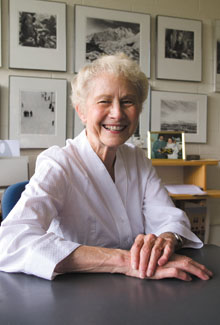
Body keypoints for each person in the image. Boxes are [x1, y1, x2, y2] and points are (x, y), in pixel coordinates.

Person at [0, 53, 212, 281]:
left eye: (128, 102)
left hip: (140, 288)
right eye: (104, 101)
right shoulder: (59, 163)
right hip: (73, 296)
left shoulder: (138, 160)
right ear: (81, 111)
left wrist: (167, 240)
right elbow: (10, 241)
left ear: (138, 111)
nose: (117, 113)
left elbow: (169, 217)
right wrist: (125, 261)